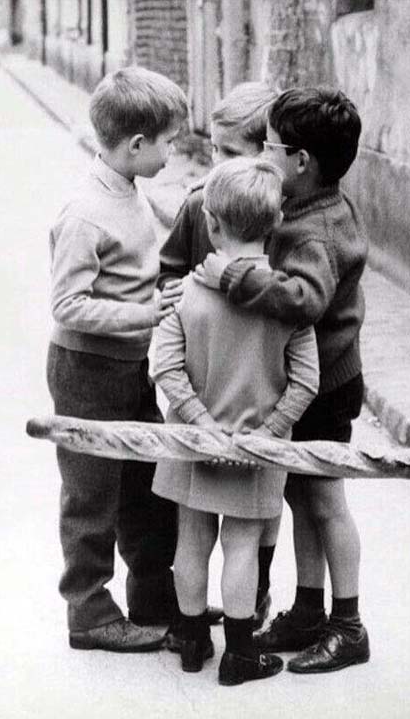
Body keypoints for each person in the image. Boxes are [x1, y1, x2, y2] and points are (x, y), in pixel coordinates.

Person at [195, 87, 370, 674]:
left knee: (325, 501)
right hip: (314, 380)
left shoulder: (314, 231)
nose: (262, 155)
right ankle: (309, 611)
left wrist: (234, 279)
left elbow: (305, 300)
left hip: (325, 387)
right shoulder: (308, 206)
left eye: (268, 148)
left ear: (301, 162)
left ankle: (348, 625)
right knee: (301, 497)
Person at [152, 157, 319, 685]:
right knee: (243, 544)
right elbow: (306, 381)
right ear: (274, 225)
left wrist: (203, 426)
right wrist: (265, 436)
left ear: (211, 224)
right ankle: (241, 653)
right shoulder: (285, 301)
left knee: (192, 539)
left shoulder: (188, 295)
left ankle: (191, 638)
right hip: (256, 450)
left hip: (191, 442)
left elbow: (167, 367)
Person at [46, 66, 189, 652]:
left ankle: (152, 595)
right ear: (136, 145)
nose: (174, 152)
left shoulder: (129, 191)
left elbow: (134, 278)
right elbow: (68, 305)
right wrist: (146, 314)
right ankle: (89, 612)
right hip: (86, 372)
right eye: (169, 142)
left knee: (146, 483)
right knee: (91, 494)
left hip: (129, 368)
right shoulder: (85, 213)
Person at [158, 81, 280, 636]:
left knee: (247, 530)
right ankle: (231, 635)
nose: (216, 168)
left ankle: (251, 601)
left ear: (265, 153)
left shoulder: (278, 215)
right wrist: (177, 299)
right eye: (213, 151)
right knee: (225, 533)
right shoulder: (197, 206)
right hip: (218, 401)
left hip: (234, 402)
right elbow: (169, 272)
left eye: (229, 154)